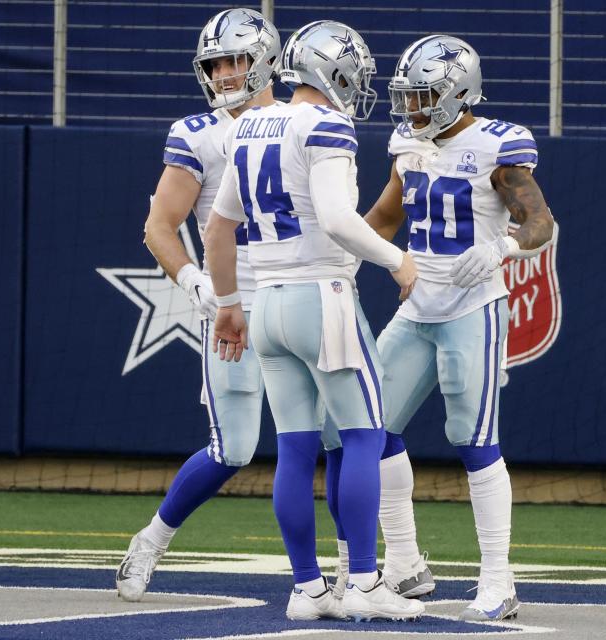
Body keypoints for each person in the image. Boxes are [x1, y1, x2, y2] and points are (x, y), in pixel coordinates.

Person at [203, 21, 424, 622]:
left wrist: (228, 304)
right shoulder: (327, 123)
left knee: (296, 449)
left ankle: (306, 588)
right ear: (334, 72)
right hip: (322, 296)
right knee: (363, 436)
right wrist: (398, 260)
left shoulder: (246, 125)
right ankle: (363, 581)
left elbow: (219, 227)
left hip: (266, 301)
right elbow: (336, 218)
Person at [333, 34, 557, 621]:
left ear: (458, 92)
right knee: (370, 425)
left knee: (474, 441)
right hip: (416, 308)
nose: (412, 108)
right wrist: (342, 258)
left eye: (424, 95)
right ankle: (406, 563)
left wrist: (506, 244)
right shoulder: (407, 140)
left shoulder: (498, 145)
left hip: (471, 309)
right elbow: (384, 214)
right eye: (407, 96)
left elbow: (540, 221)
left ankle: (498, 579)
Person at [115, 8, 283, 603]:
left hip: (303, 299)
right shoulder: (197, 132)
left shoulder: (306, 121)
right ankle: (152, 540)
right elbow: (160, 226)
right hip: (235, 305)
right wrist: (199, 287)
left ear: (264, 60)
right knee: (234, 448)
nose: (223, 73)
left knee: (341, 436)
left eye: (235, 59)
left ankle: (363, 569)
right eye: (214, 63)